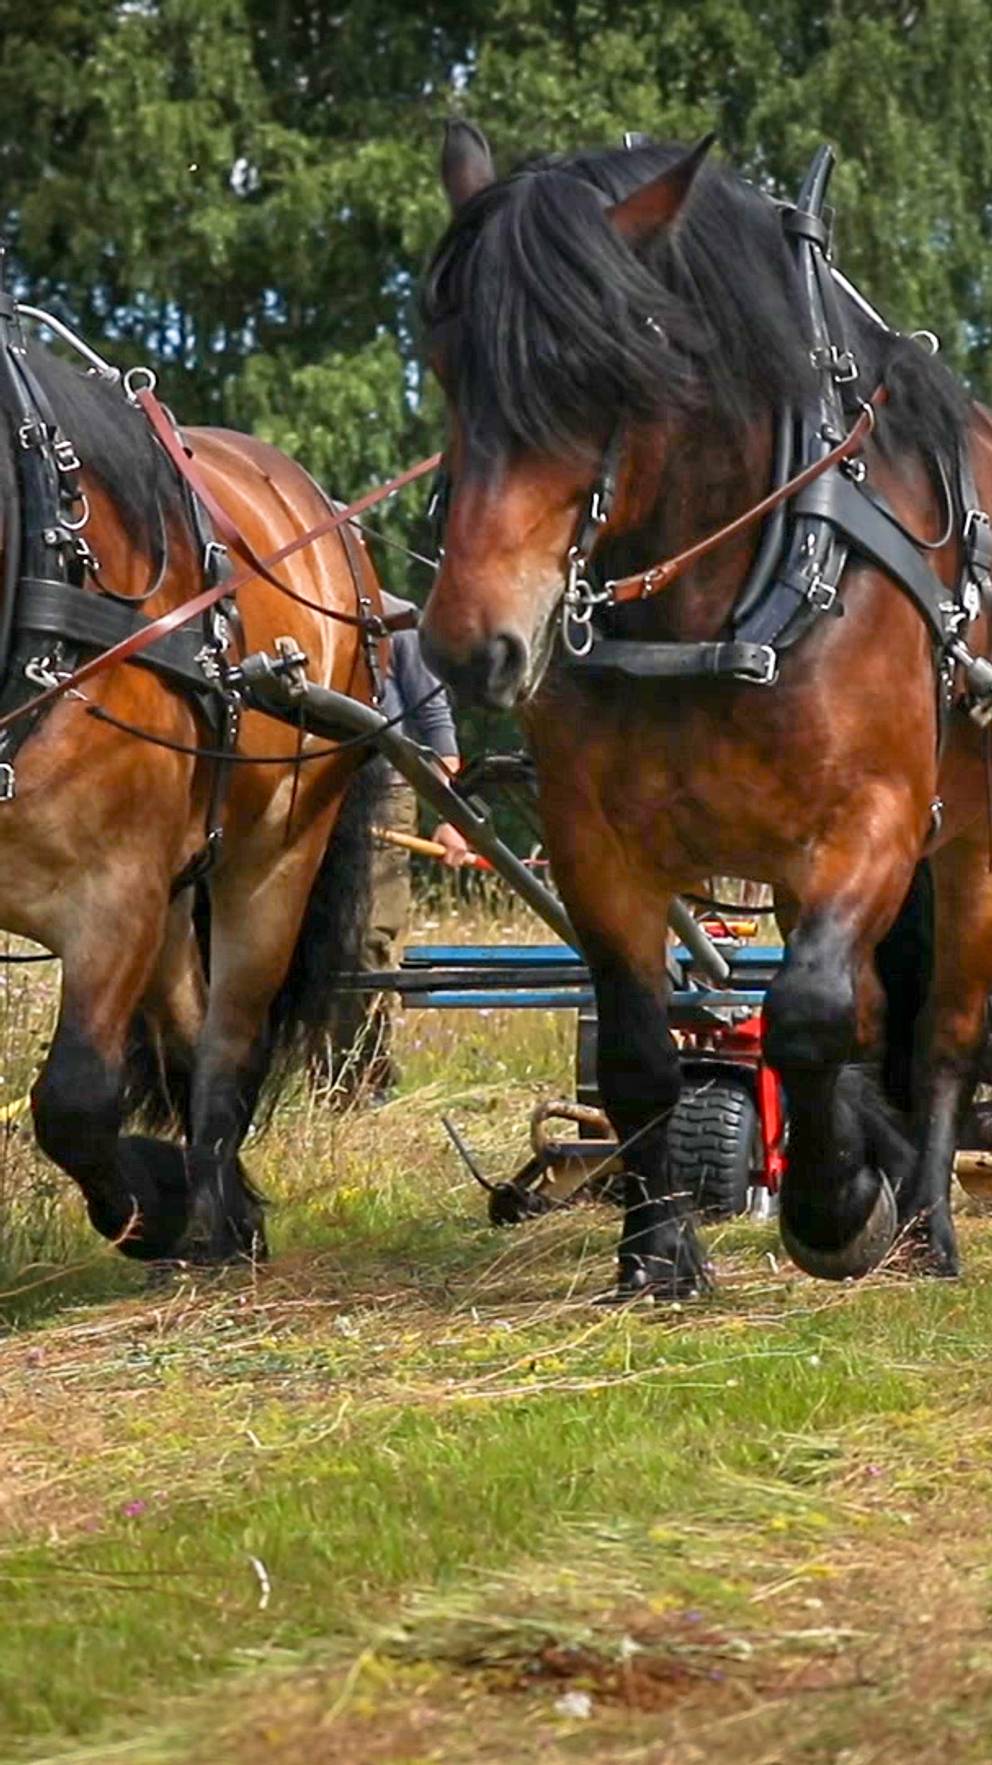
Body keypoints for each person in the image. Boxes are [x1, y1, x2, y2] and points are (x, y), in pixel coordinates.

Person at [325, 592, 469, 1101]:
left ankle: (366, 1078)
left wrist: (452, 819)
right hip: (319, 787)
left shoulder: (399, 618)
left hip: (387, 787)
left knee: (366, 940)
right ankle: (326, 1076)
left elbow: (436, 727)